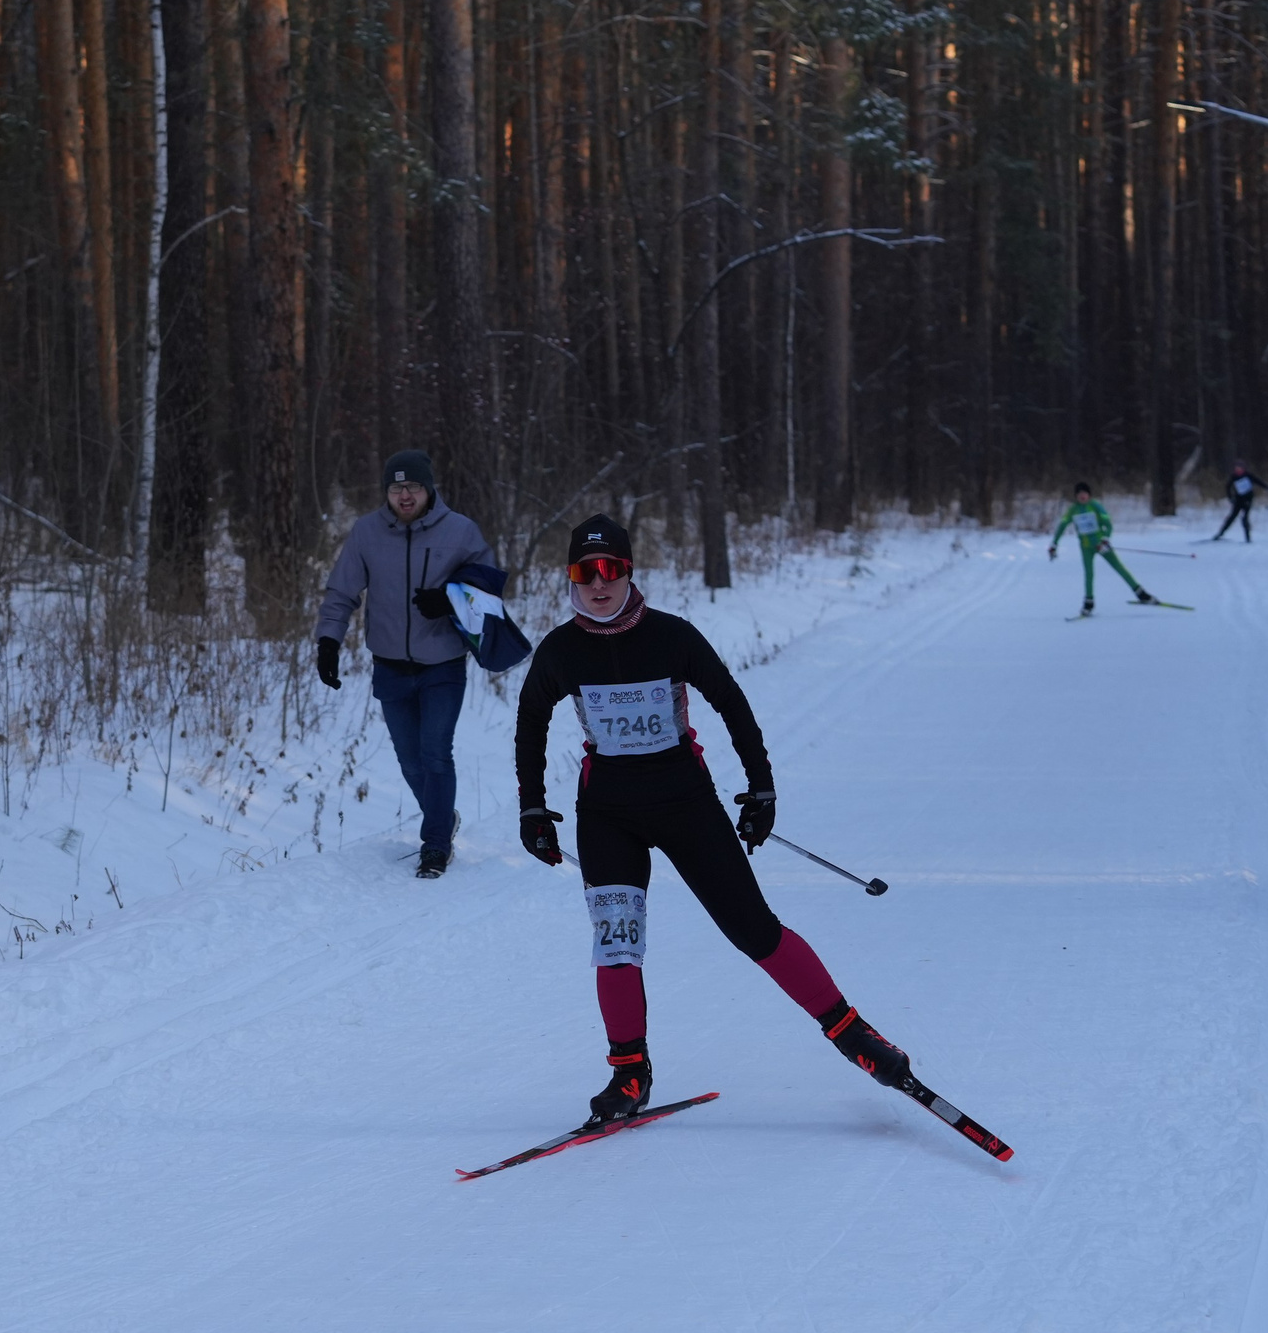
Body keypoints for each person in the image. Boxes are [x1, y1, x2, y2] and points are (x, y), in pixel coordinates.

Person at [514, 514, 921, 1129]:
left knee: (753, 929)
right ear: (570, 576)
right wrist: (533, 807)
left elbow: (730, 701)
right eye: (584, 571)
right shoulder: (560, 649)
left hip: (685, 802)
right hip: (607, 813)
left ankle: (856, 1036)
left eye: (610, 569)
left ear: (629, 571)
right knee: (616, 943)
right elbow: (531, 722)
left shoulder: (672, 636)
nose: (598, 583)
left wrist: (762, 788)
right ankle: (629, 1073)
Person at [316, 449, 497, 878]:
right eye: (396, 487)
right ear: (386, 491)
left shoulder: (461, 531)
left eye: (413, 486)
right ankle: (442, 816)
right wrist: (328, 642)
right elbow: (342, 592)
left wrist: (450, 600)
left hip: (442, 664)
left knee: (435, 753)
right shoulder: (367, 533)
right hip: (390, 666)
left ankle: (435, 845)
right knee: (409, 759)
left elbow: (488, 590)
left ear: (428, 488)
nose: (405, 495)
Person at [1049, 482, 1158, 615]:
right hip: (1086, 547)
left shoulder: (1096, 506)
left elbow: (1108, 524)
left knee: (1118, 567)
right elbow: (1062, 525)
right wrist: (1054, 544)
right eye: (1079, 494)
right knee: (1089, 574)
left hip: (1100, 545)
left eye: (1085, 494)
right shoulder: (1073, 509)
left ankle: (1141, 593)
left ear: (1089, 495)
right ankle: (1088, 603)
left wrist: (1105, 539)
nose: (1082, 496)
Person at [1211, 463, 1268, 542]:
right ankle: (1220, 534)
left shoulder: (1248, 475)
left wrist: (1267, 487)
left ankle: (1248, 538)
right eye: (1237, 469)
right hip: (1238, 500)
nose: (1238, 470)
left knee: (1245, 518)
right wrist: (1230, 498)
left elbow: (1257, 481)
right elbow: (1228, 487)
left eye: (1240, 469)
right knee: (1232, 517)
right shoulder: (1234, 477)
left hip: (1248, 500)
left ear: (1243, 469)